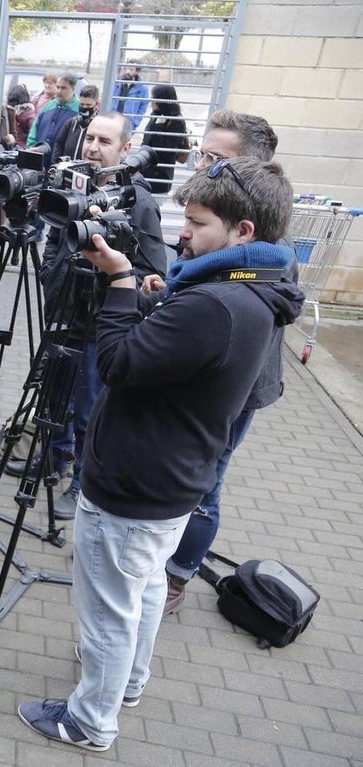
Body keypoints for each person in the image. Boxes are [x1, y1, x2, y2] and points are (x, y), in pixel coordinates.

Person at [18, 155, 304, 752]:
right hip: (174, 479)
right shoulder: (254, 289)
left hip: (136, 484)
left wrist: (121, 283)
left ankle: (89, 721)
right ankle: (128, 683)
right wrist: (156, 301)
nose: (182, 234)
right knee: (143, 591)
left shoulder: (214, 304)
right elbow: (185, 356)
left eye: (197, 224)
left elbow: (118, 363)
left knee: (108, 614)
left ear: (242, 231)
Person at [157, 109, 293, 614]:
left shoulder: (266, 249)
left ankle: (177, 575)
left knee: (206, 481)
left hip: (236, 387)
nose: (201, 166)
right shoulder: (215, 216)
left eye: (215, 159)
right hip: (201, 371)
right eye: (201, 153)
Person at [31, 112, 168, 519]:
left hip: (100, 325)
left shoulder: (139, 201)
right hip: (63, 313)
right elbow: (55, 241)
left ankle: (83, 482)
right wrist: (50, 277)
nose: (92, 147)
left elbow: (153, 272)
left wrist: (117, 293)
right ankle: (52, 460)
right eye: (89, 138)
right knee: (52, 395)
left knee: (90, 410)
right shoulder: (73, 185)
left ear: (125, 149)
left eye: (104, 141)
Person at [141, 84, 189, 195]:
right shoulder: (156, 115)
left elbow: (162, 150)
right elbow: (146, 142)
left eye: (154, 99)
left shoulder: (176, 121)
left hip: (160, 175)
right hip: (145, 171)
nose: (151, 102)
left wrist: (159, 126)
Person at [27, 72, 79, 164]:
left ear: (73, 88)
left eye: (63, 88)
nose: (59, 91)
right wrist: (30, 149)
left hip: (61, 165)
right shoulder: (48, 106)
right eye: (58, 87)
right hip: (39, 161)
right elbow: (34, 130)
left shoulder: (78, 110)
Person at [51, 84, 100, 162]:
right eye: (82, 104)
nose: (84, 107)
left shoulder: (100, 126)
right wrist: (55, 164)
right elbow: (58, 145)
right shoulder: (71, 123)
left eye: (88, 105)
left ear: (96, 104)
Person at [111, 60, 149, 130]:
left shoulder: (142, 88)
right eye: (126, 68)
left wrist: (135, 122)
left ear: (137, 71)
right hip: (113, 120)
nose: (127, 71)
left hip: (128, 124)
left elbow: (143, 106)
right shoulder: (117, 82)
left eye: (131, 69)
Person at [3, 83, 36, 149]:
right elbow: (33, 132)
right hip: (23, 148)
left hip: (8, 145)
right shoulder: (28, 114)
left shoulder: (8, 111)